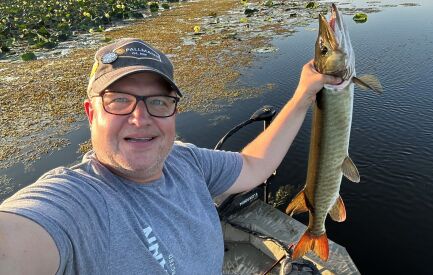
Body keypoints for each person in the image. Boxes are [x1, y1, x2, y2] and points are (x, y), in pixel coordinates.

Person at [0, 38, 342, 274]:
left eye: (158, 101)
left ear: (174, 111)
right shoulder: (74, 201)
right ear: (91, 114)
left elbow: (256, 165)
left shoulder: (184, 161)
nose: (140, 117)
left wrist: (303, 94)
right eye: (119, 99)